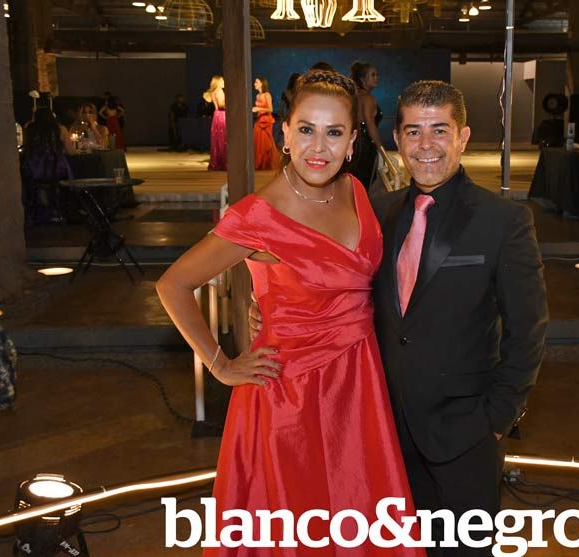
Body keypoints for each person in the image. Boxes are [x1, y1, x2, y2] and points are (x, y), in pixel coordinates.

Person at [250, 80, 548, 556]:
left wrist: (498, 417)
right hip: (380, 428)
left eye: (439, 130)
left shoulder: (503, 222)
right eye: (413, 131)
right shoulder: (375, 214)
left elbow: (528, 330)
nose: (426, 145)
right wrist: (273, 307)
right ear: (397, 139)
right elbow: (344, 292)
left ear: (463, 137)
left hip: (464, 432)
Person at [157, 70, 424, 557]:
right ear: (284, 133)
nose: (318, 147)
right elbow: (172, 284)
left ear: (353, 141)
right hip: (290, 395)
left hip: (358, 385)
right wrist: (220, 365)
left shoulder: (354, 191)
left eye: (334, 132)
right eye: (305, 129)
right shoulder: (256, 215)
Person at [20, 107, 75, 226]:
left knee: (30, 180)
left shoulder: (30, 129)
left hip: (35, 168)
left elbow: (26, 147)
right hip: (56, 169)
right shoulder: (60, 129)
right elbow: (71, 152)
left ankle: (39, 209)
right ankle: (61, 210)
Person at [350, 61, 383, 190]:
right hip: (365, 146)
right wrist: (381, 149)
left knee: (354, 180)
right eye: (373, 75)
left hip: (354, 143)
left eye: (377, 74)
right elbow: (370, 126)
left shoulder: (354, 96)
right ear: (363, 79)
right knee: (365, 182)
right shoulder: (368, 98)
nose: (377, 78)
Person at [251, 77, 279, 170]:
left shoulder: (267, 95)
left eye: (256, 82)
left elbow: (270, 109)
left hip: (266, 120)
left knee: (266, 141)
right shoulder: (258, 95)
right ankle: (259, 162)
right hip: (259, 119)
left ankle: (267, 163)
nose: (254, 84)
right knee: (258, 141)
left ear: (262, 83)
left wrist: (258, 109)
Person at [204, 75, 227, 171]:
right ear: (217, 82)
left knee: (217, 140)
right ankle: (222, 162)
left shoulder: (214, 92)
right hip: (221, 115)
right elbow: (221, 104)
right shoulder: (219, 91)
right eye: (222, 81)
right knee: (222, 139)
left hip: (217, 115)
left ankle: (217, 161)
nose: (224, 82)